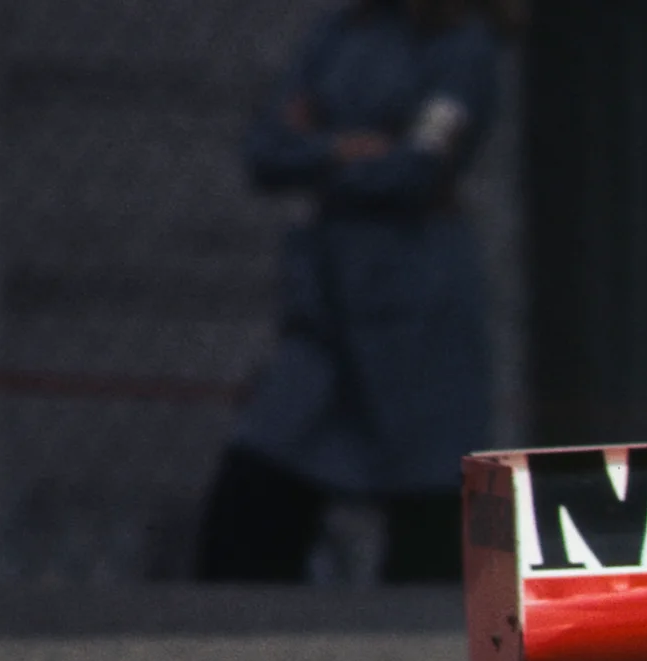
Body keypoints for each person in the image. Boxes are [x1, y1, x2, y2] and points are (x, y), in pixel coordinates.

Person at [197, 0, 506, 583]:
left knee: (428, 495)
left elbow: (417, 169)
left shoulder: (463, 48)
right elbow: (266, 152)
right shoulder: (337, 35)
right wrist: (343, 149)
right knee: (255, 484)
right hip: (326, 302)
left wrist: (319, 147)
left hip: (417, 303)